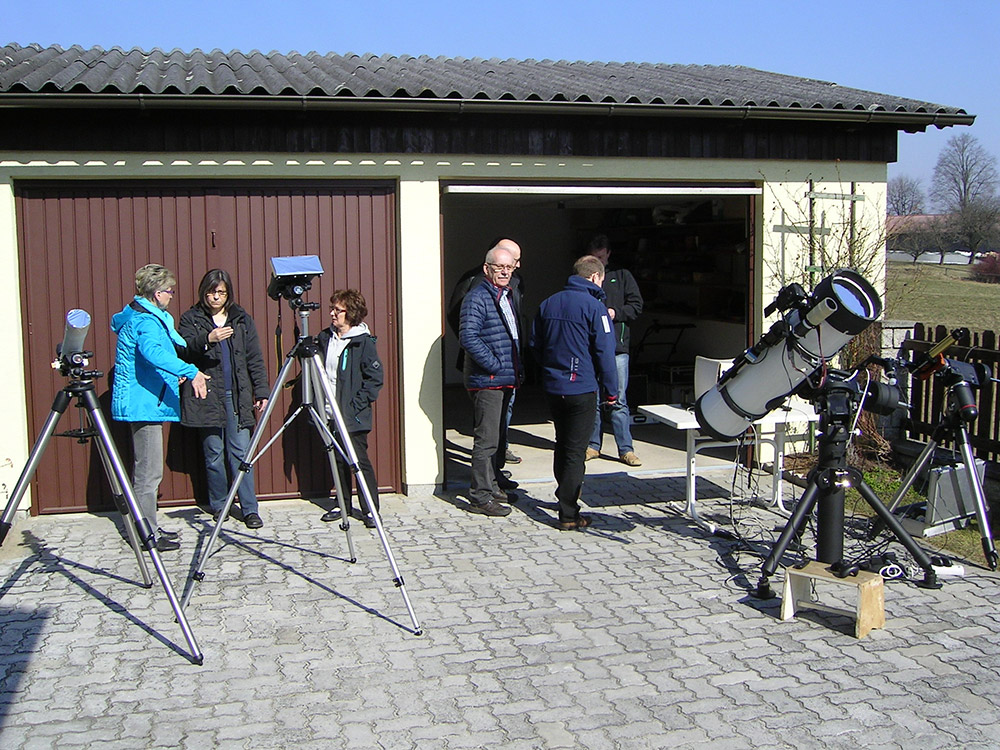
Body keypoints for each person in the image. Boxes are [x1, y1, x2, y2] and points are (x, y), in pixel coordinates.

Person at [111, 264, 209, 551]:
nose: (172, 296)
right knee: (149, 472)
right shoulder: (145, 321)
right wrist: (191, 372)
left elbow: (158, 355)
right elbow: (152, 353)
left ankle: (148, 526)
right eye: (170, 291)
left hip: (148, 401)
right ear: (157, 293)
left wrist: (175, 373)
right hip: (143, 405)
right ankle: (144, 534)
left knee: (149, 470)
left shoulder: (149, 317)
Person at [532, 255, 618, 530]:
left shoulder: (548, 303)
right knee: (575, 451)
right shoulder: (595, 307)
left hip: (554, 386)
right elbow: (605, 353)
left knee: (562, 443)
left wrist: (549, 369)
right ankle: (568, 512)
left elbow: (535, 343)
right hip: (581, 387)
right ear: (594, 277)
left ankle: (564, 497)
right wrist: (612, 390)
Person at [179, 269, 270, 529]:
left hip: (237, 396)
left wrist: (261, 391)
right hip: (206, 396)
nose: (216, 297)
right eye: (211, 292)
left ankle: (250, 508)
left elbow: (254, 357)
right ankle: (220, 505)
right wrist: (208, 339)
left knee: (241, 453)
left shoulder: (241, 318)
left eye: (221, 292)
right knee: (213, 453)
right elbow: (182, 349)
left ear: (228, 293)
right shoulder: (191, 318)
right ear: (203, 292)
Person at [448, 237, 524, 470]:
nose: (505, 271)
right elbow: (468, 336)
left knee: (498, 436)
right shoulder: (477, 295)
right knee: (487, 440)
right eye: (499, 267)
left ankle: (495, 481)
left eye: (509, 266)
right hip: (489, 378)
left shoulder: (508, 294)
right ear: (487, 268)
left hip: (507, 378)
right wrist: (495, 365)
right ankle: (482, 494)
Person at [317, 289, 384, 529]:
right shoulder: (326, 338)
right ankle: (342, 504)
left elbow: (375, 378)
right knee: (337, 460)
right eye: (332, 308)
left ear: (351, 313)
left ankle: (370, 510)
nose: (333, 313)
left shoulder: (362, 342)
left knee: (358, 462)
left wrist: (356, 406)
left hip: (352, 415)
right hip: (329, 412)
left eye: (338, 310)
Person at [584, 234, 644, 466]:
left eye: (601, 256)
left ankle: (625, 449)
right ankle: (593, 446)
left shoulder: (622, 276)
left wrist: (614, 313)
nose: (598, 261)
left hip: (617, 349)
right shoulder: (585, 279)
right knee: (594, 399)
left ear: (608, 254)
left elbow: (636, 306)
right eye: (593, 257)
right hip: (591, 350)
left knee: (618, 400)